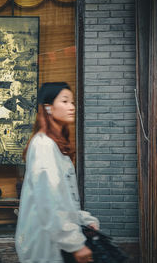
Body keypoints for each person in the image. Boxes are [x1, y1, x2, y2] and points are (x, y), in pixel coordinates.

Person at [15, 82, 99, 263]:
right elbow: (50, 199)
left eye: (72, 102)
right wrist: (74, 243)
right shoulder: (44, 145)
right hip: (46, 246)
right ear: (48, 107)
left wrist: (82, 219)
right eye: (65, 101)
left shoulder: (53, 145)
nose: (72, 107)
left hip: (55, 244)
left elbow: (63, 198)